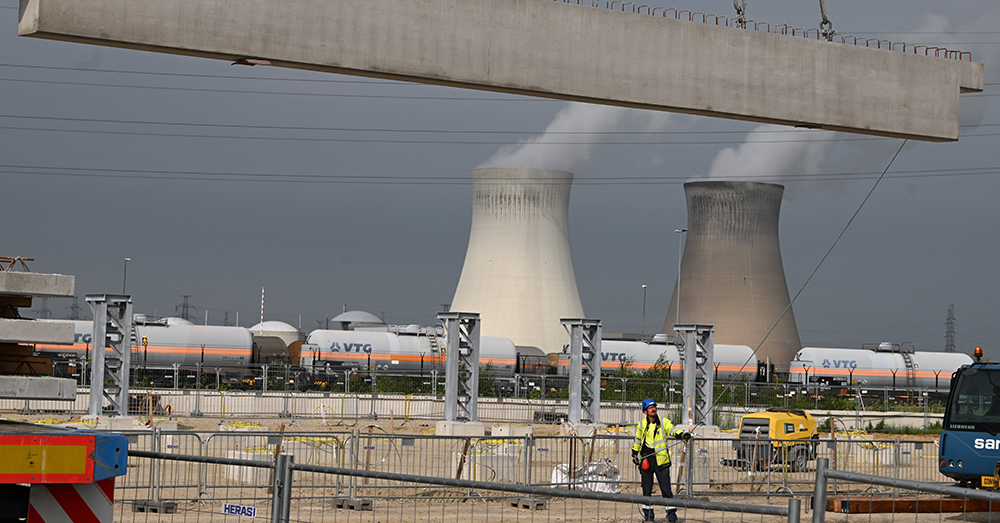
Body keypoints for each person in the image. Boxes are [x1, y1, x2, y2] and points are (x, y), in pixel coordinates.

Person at [632, 398, 691, 522]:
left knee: (666, 490)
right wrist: (634, 453)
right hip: (646, 461)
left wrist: (682, 435)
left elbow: (672, 430)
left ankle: (671, 517)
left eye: (654, 407)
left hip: (661, 462)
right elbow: (638, 439)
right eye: (650, 408)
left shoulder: (663, 422)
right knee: (646, 490)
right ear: (645, 411)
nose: (653, 409)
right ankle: (648, 517)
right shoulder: (642, 424)